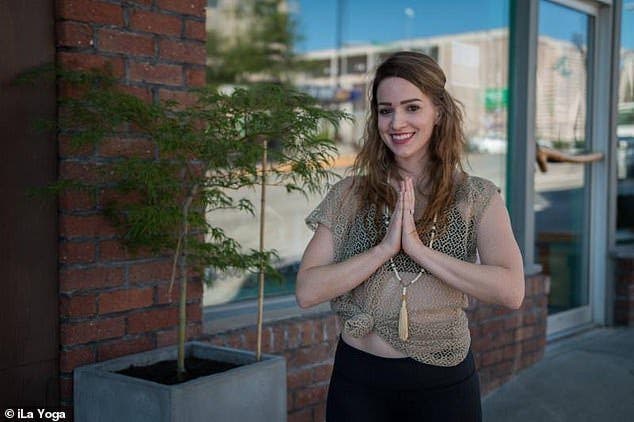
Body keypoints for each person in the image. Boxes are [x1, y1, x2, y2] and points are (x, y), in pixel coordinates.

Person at [295, 51, 525, 422]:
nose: (397, 121)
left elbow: (511, 290)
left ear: (438, 111)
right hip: (358, 382)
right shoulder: (349, 195)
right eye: (386, 110)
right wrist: (385, 249)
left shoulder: (477, 197)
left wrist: (417, 249)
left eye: (412, 107)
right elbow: (307, 290)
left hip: (442, 386)